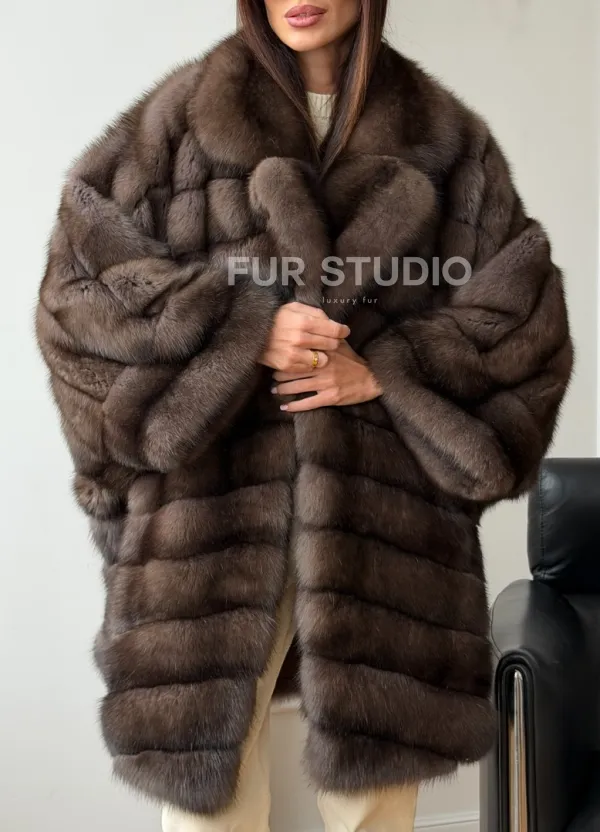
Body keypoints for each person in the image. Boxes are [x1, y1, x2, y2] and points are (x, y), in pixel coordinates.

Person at [35, 1, 573, 830]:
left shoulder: (447, 140)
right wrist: (240, 328)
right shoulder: (182, 121)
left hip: (385, 518)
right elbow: (79, 292)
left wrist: (387, 372)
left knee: (375, 798)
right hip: (210, 511)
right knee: (208, 795)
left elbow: (523, 320)